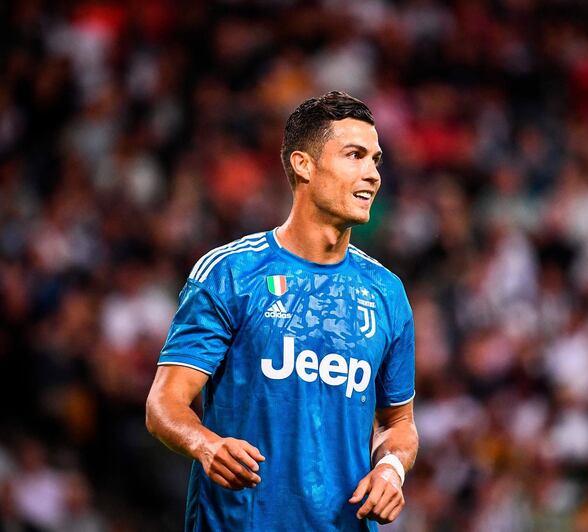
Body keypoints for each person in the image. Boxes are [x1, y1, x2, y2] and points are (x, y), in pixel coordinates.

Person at [145, 91, 418, 531]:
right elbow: (165, 402)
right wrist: (206, 445)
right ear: (303, 164)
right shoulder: (232, 274)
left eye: (376, 160)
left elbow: (398, 422)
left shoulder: (387, 293)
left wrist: (392, 469)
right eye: (354, 156)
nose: (372, 174)